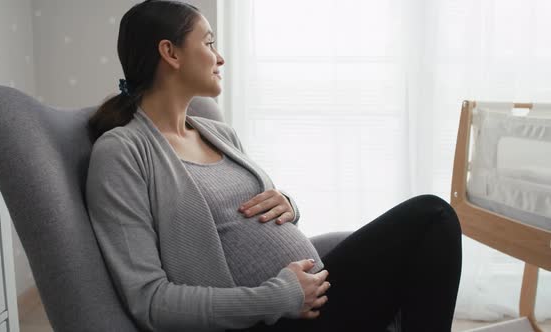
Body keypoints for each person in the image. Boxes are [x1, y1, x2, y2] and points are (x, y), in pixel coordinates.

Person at [85, 1, 462, 331]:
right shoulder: (122, 153)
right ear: (170, 52)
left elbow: (249, 217)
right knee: (432, 217)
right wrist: (279, 297)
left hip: (308, 299)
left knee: (428, 235)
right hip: (264, 319)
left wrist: (288, 204)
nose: (220, 57)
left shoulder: (217, 134)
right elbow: (150, 301)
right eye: (209, 42)